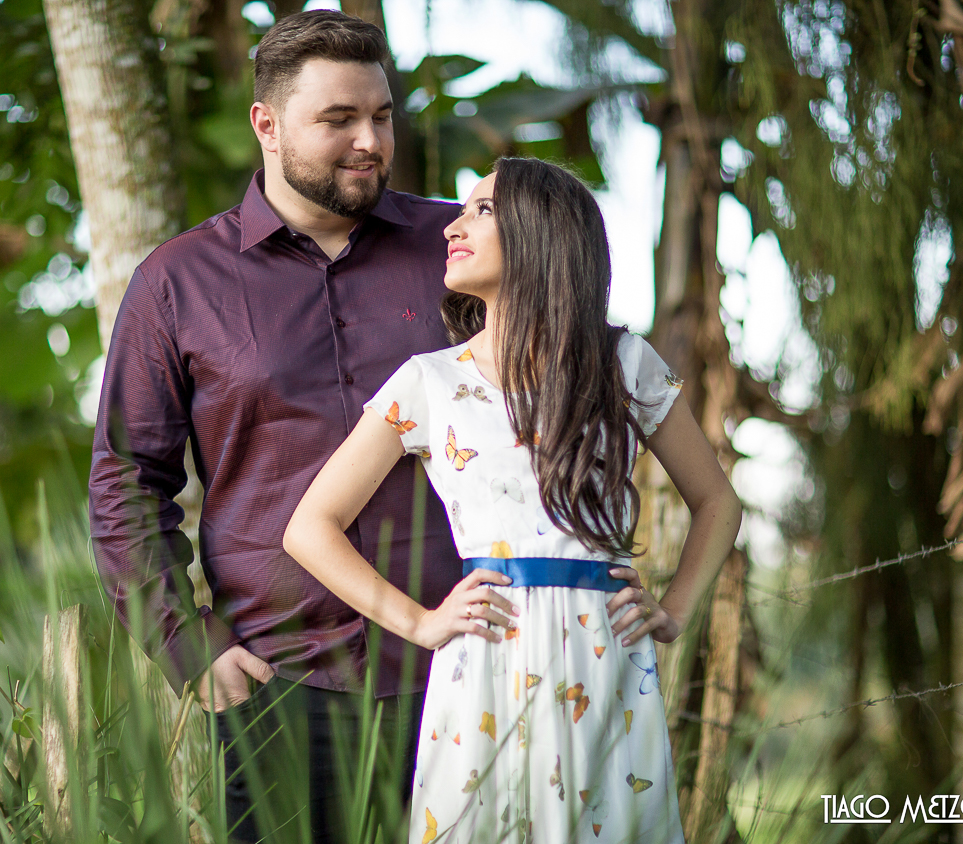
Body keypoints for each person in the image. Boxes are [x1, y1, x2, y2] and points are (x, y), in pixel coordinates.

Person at [87, 10, 491, 842]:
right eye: (338, 120)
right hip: (282, 688)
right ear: (266, 125)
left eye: (381, 116)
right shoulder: (177, 283)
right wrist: (182, 642)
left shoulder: (456, 245)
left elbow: (554, 394)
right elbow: (128, 481)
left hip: (471, 667)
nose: (370, 141)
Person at [284, 157, 743, 843]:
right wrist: (421, 623)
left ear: (541, 234)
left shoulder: (622, 365)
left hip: (606, 661)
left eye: (482, 210)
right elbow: (311, 528)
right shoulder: (430, 383)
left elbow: (718, 503)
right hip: (483, 661)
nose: (453, 227)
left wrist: (674, 613)